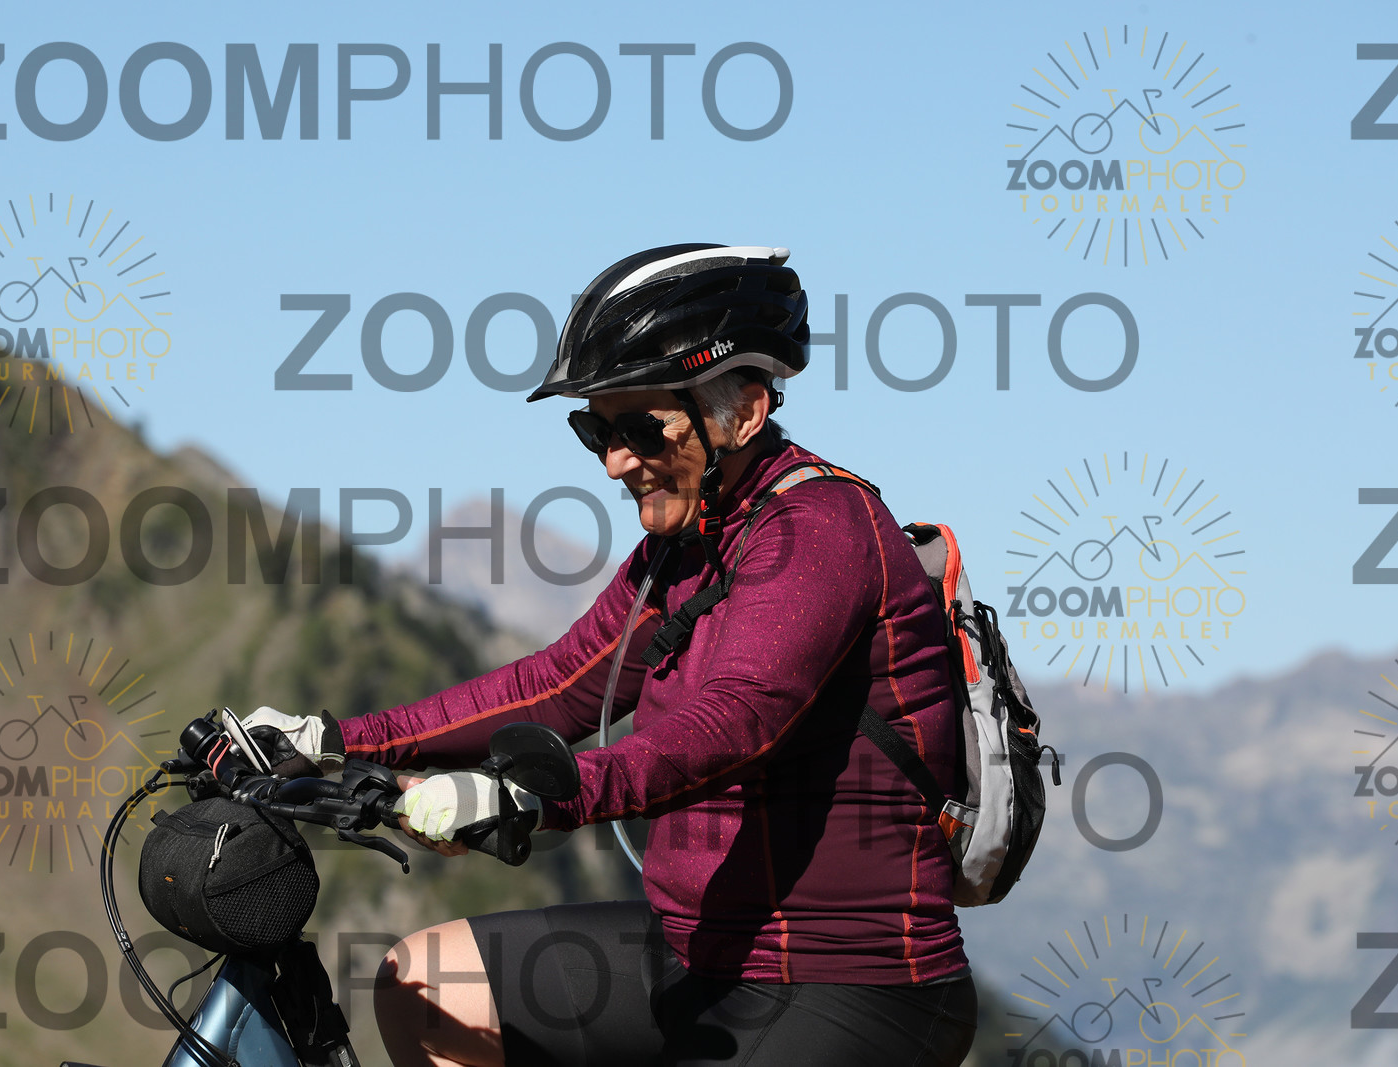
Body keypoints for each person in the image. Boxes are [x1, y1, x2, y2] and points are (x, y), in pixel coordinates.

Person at [246, 244, 978, 1066]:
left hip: (848, 982)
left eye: (640, 429)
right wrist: (333, 739)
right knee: (427, 985)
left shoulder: (820, 529)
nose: (613, 462)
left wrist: (527, 796)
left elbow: (733, 722)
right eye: (595, 429)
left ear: (743, 412)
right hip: (692, 951)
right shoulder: (685, 546)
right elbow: (555, 686)